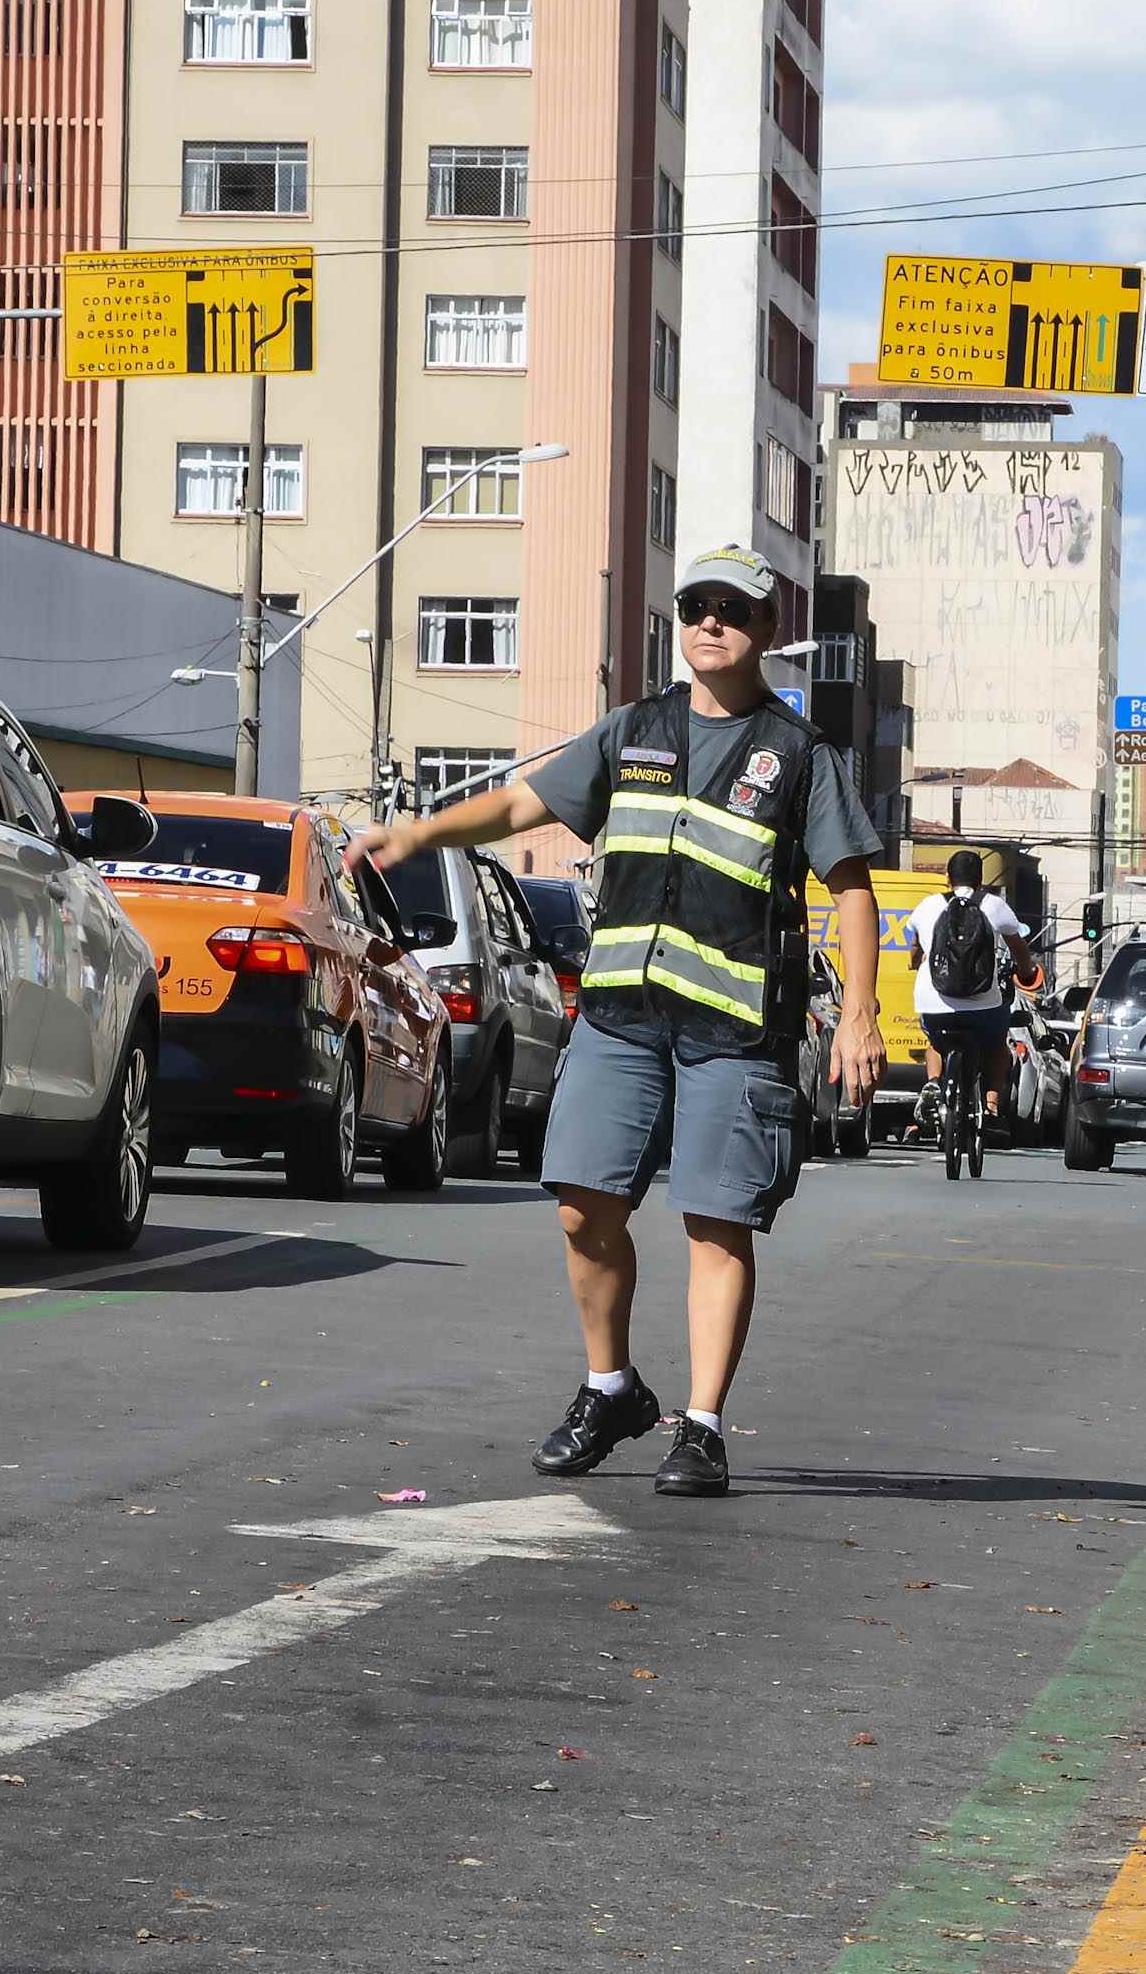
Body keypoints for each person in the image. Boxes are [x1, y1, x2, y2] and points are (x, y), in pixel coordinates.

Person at [344, 545, 884, 1499]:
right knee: (580, 1204)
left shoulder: (803, 757)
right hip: (623, 1015)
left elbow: (850, 886)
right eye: (694, 607)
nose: (708, 622)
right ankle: (612, 1387)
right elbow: (523, 799)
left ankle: (704, 1426)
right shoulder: (635, 729)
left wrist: (861, 1019)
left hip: (736, 1027)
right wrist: (421, 832)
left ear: (764, 630)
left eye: (730, 609)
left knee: (717, 1225)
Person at [908, 851, 1031, 1137]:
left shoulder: (927, 906)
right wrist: (1024, 973)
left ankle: (934, 1084)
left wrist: (915, 963)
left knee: (935, 1042)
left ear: (947, 878)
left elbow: (915, 948)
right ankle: (990, 1104)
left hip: (934, 1002)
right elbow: (1019, 948)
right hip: (983, 1006)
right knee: (998, 1046)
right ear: (980, 879)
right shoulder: (994, 906)